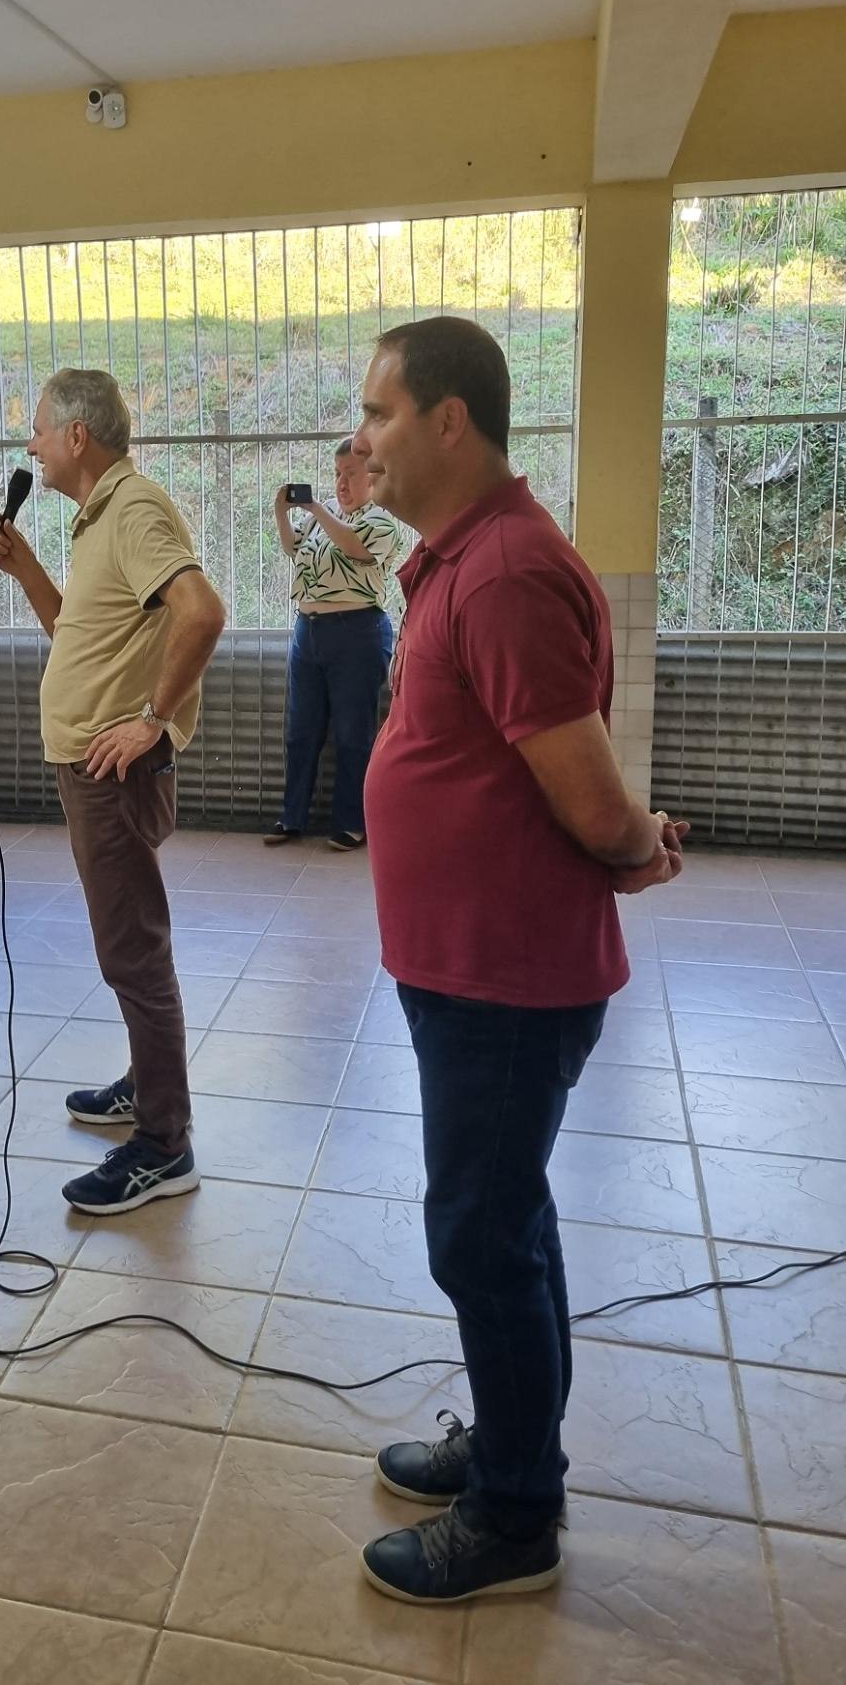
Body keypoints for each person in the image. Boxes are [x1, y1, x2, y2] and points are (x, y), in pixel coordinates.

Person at [351, 315, 688, 1605]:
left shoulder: (500, 572)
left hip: (503, 981)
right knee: (509, 1220)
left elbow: (588, 794)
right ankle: (509, 1445)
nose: (361, 438)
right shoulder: (463, 558)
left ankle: (513, 1517)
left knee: (481, 1238)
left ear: (450, 421)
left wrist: (633, 848)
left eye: (379, 412)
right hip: (468, 967)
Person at [0, 367, 226, 1216]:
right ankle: (144, 1084)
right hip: (88, 766)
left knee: (133, 951)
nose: (32, 445)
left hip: (113, 771)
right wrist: (25, 566)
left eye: (39, 429)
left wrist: (152, 719)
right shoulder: (99, 518)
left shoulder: (134, 509)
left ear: (77, 436)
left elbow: (202, 611)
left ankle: (164, 1144)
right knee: (126, 945)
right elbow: (74, 631)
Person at [265, 443, 405, 849]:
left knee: (352, 731)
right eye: (337, 473)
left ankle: (351, 822)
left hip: (356, 630)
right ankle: (292, 817)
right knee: (301, 729)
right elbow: (294, 550)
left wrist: (316, 510)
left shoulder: (381, 520)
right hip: (308, 629)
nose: (342, 483)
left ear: (372, 476)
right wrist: (282, 513)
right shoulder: (324, 514)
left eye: (351, 473)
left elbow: (354, 548)